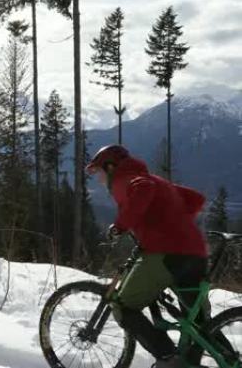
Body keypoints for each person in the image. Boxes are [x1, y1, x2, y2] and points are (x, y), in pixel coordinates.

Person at [86, 145, 210, 368]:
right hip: (196, 252)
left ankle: (168, 359)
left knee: (122, 305)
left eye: (100, 172)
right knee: (200, 326)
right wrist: (171, 221)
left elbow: (144, 190)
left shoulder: (125, 179)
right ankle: (227, 360)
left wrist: (121, 226)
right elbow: (196, 199)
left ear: (111, 166)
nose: (99, 179)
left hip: (167, 253)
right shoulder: (150, 177)